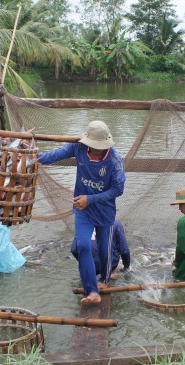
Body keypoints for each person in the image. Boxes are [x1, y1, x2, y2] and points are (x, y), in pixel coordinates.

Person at [39, 121, 126, 304]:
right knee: (83, 245)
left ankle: (104, 279)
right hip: (82, 209)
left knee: (104, 250)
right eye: (92, 147)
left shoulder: (115, 160)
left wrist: (91, 198)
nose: (95, 150)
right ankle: (91, 292)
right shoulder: (78, 148)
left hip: (104, 212)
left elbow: (118, 189)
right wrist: (32, 157)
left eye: (98, 147)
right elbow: (53, 156)